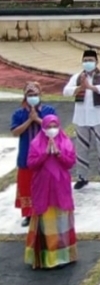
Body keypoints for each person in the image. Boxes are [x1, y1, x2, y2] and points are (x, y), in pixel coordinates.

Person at [24, 114, 77, 269]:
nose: (52, 130)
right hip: (43, 188)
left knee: (62, 222)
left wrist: (59, 154)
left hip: (60, 187)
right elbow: (31, 164)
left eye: (55, 126)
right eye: (49, 127)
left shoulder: (65, 142)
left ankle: (64, 256)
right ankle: (50, 258)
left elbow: (70, 163)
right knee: (47, 224)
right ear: (43, 128)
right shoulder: (36, 143)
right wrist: (45, 153)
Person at [62, 48, 100, 190]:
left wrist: (91, 87)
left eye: (90, 60)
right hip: (81, 118)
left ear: (96, 62)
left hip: (98, 118)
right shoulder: (77, 77)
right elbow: (65, 91)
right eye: (85, 60)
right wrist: (80, 88)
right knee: (81, 149)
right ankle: (82, 177)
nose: (88, 63)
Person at [11, 83, 56, 227]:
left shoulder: (49, 111)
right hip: (26, 154)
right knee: (27, 185)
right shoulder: (19, 114)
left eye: (35, 95)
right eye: (30, 95)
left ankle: (45, 212)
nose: (33, 97)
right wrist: (29, 120)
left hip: (45, 153)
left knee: (45, 184)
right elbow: (15, 132)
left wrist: (37, 119)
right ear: (25, 96)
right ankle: (29, 214)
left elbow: (53, 129)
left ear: (40, 95)